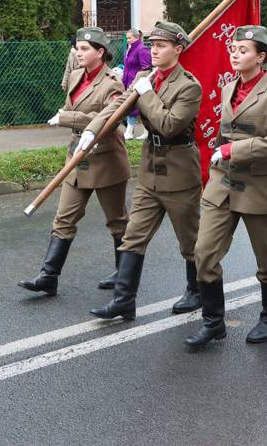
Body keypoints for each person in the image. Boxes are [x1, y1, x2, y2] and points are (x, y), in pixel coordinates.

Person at [184, 25, 267, 349]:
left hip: (260, 186)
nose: (235, 55)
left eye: (244, 50)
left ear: (261, 57)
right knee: (204, 253)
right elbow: (227, 133)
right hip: (224, 184)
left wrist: (235, 150)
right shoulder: (228, 88)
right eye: (233, 49)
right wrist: (220, 154)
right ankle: (213, 322)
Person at [80, 21, 203, 320]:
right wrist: (92, 130)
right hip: (150, 172)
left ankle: (197, 290)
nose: (155, 50)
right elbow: (115, 108)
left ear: (178, 48)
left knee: (190, 242)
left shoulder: (189, 86)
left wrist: (146, 94)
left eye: (161, 45)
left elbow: (170, 125)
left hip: (178, 172)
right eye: (152, 45)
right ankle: (124, 301)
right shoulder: (146, 77)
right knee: (133, 237)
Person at [18, 27, 130, 295]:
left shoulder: (112, 83)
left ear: (100, 53)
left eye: (84, 49)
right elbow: (71, 108)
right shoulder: (77, 76)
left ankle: (123, 273)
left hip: (105, 159)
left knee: (116, 221)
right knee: (64, 218)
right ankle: (48, 276)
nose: (78, 53)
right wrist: (70, 117)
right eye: (77, 48)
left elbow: (111, 121)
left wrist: (68, 119)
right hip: (76, 158)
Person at [122, 29, 152, 140]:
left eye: (129, 38)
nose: (127, 40)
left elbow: (146, 68)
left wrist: (139, 82)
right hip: (128, 82)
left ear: (137, 38)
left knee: (141, 108)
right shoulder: (129, 49)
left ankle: (144, 132)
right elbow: (127, 67)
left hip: (138, 83)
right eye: (127, 38)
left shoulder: (142, 49)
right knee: (131, 107)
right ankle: (130, 131)